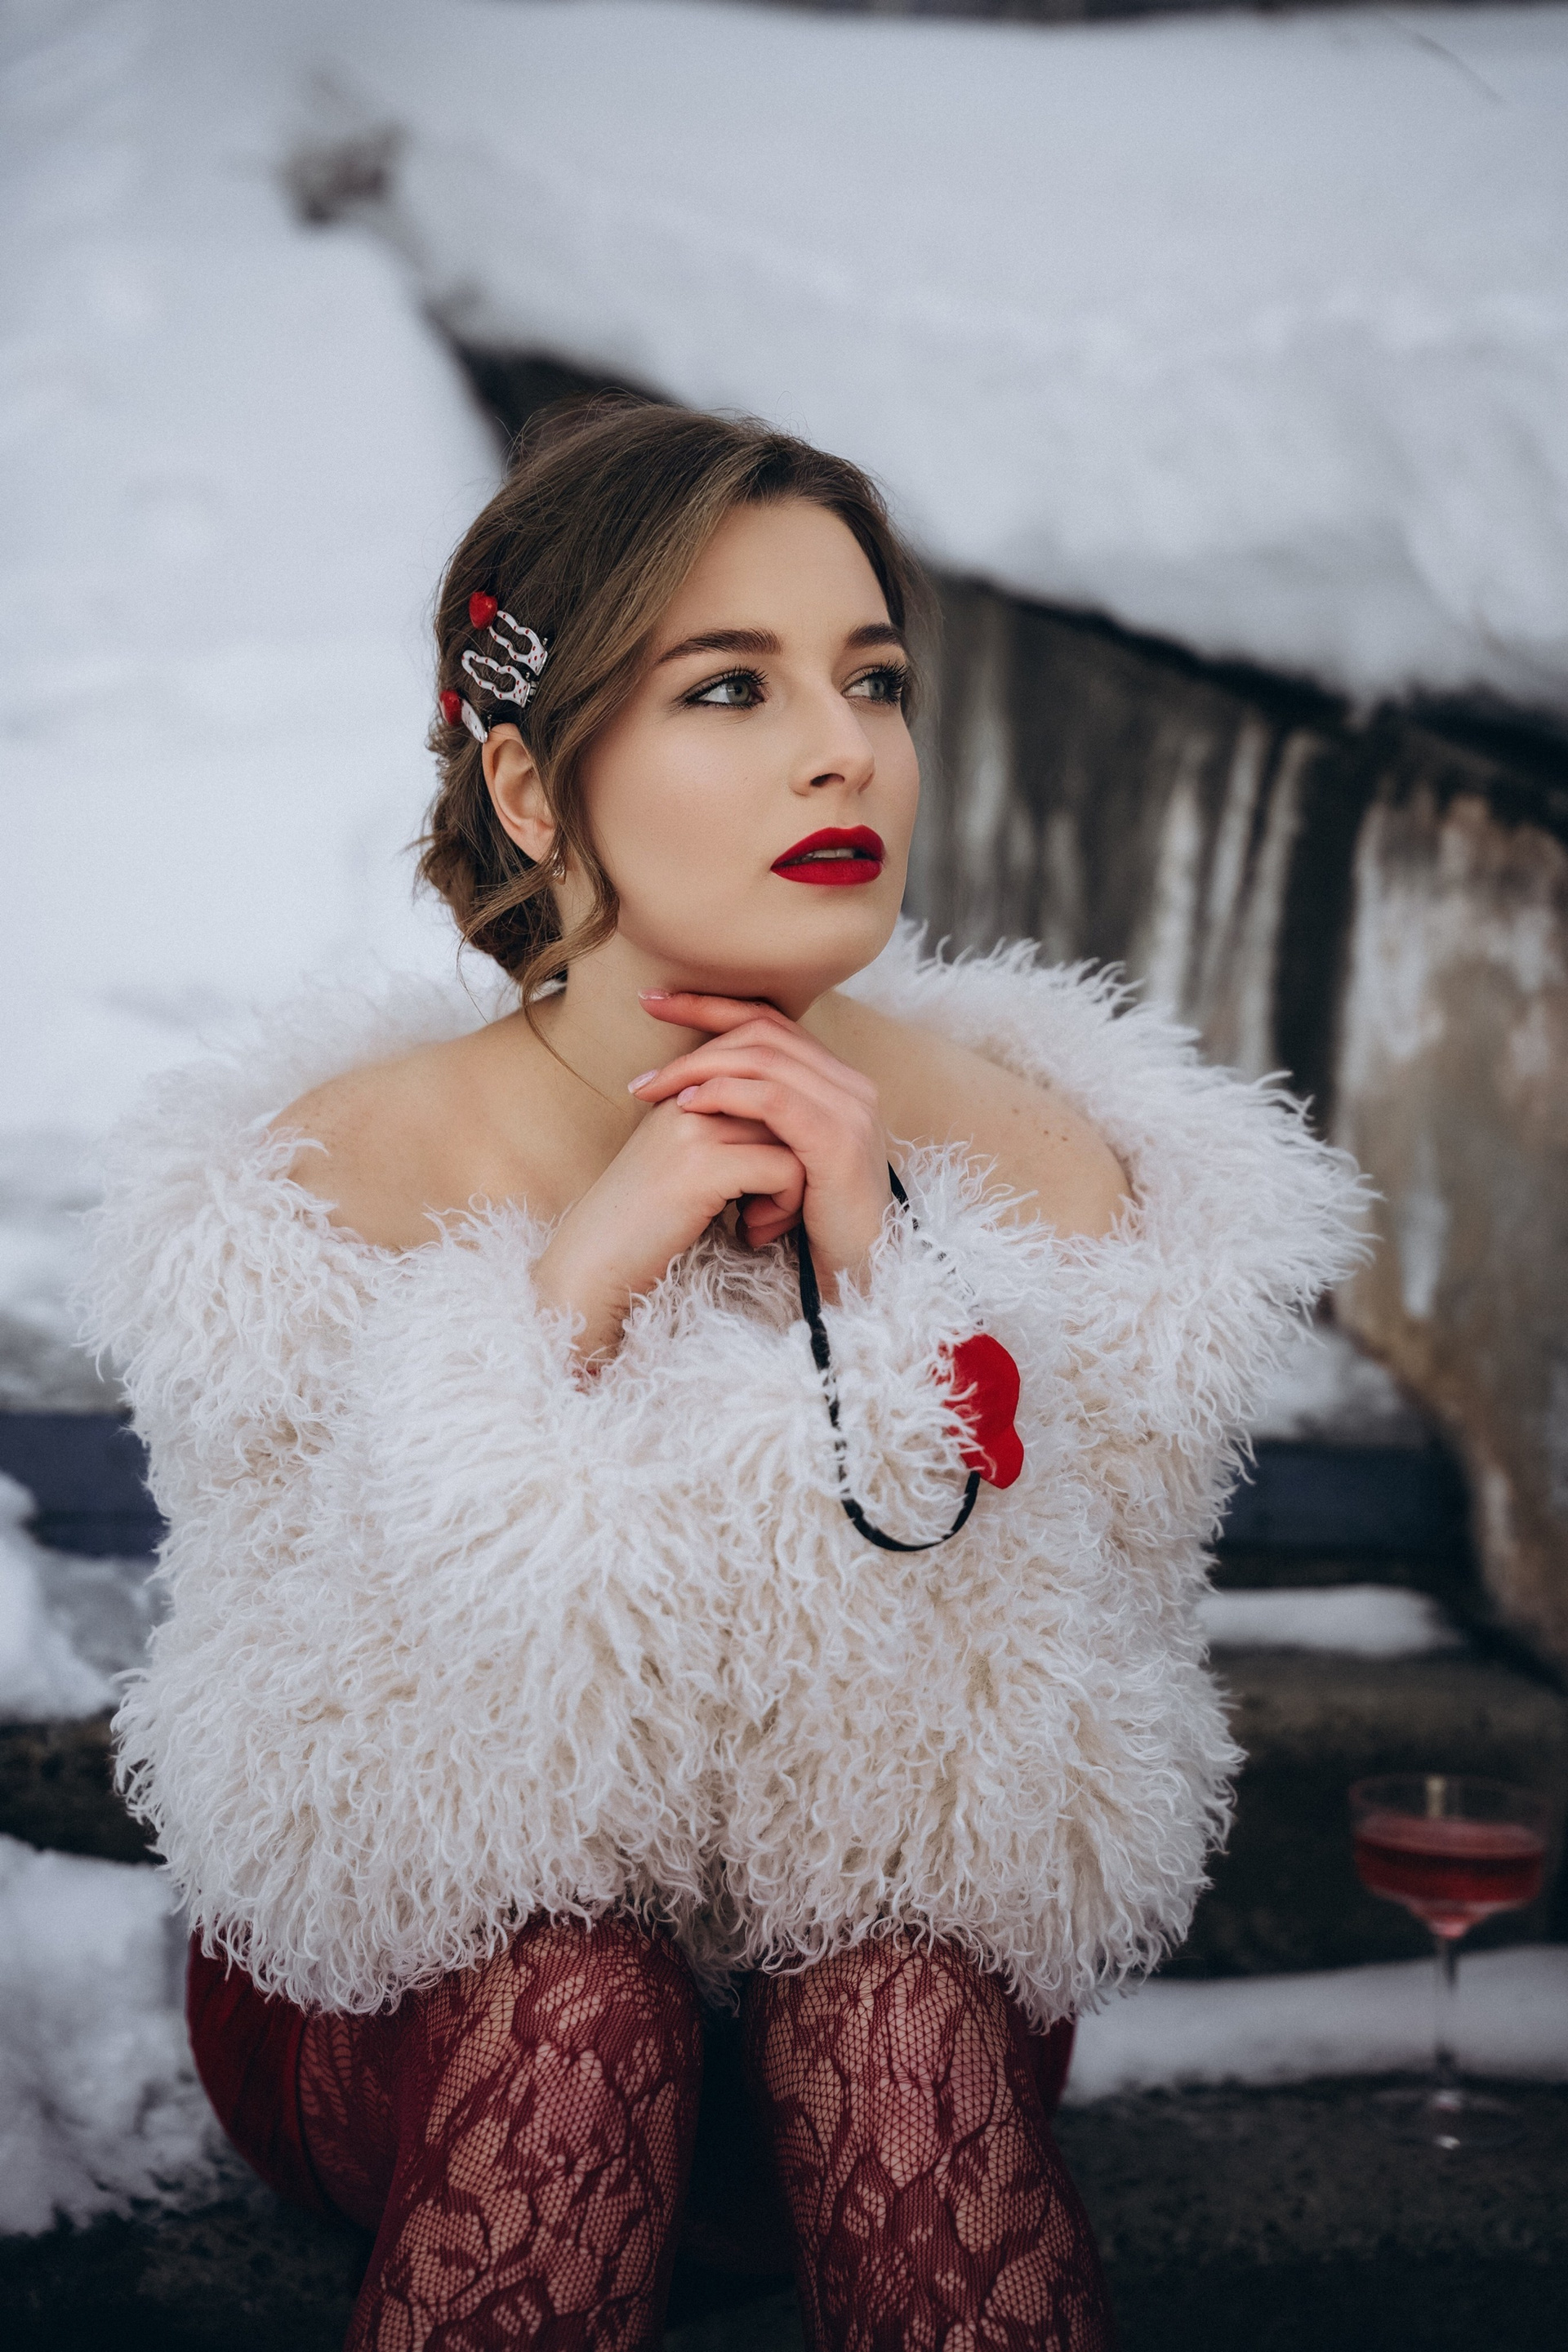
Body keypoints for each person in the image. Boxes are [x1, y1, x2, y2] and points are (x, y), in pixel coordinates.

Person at [85, 401, 1362, 2350]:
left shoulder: (1044, 1169)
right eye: (731, 687)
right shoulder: (325, 1182)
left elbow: (1037, 1784)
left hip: (876, 2021)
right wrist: (568, 1294)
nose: (844, 748)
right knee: (576, 1990)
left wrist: (884, 1282)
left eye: (874, 678)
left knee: (895, 1994)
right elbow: (349, 1790)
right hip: (417, 2011)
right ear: (533, 789)